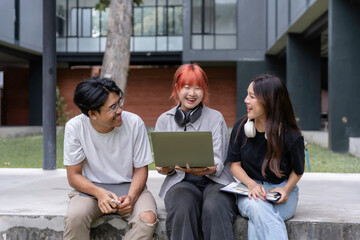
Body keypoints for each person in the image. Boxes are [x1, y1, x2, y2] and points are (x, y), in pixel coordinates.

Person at [63, 77, 158, 240]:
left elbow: (141, 169)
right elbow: (74, 176)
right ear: (92, 114)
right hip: (92, 190)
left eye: (119, 103)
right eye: (113, 107)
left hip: (131, 186)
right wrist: (99, 193)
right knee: (75, 218)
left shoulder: (135, 123)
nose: (120, 110)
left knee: (147, 219)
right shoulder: (75, 127)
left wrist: (132, 197)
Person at [155, 63, 238, 240]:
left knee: (214, 207)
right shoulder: (164, 120)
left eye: (198, 88)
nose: (192, 93)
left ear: (204, 91)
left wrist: (207, 168)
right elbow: (164, 162)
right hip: (180, 182)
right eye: (186, 87)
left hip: (215, 181)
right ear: (177, 89)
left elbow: (219, 159)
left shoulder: (216, 118)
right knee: (182, 206)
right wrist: (165, 168)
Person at [227, 74, 305, 240]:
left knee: (258, 221)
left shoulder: (291, 136)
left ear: (269, 100)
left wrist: (286, 189)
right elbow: (234, 164)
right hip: (249, 190)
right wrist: (252, 185)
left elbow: (298, 171)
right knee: (259, 209)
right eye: (247, 94)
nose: (245, 100)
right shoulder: (241, 127)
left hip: (281, 192)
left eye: (252, 96)